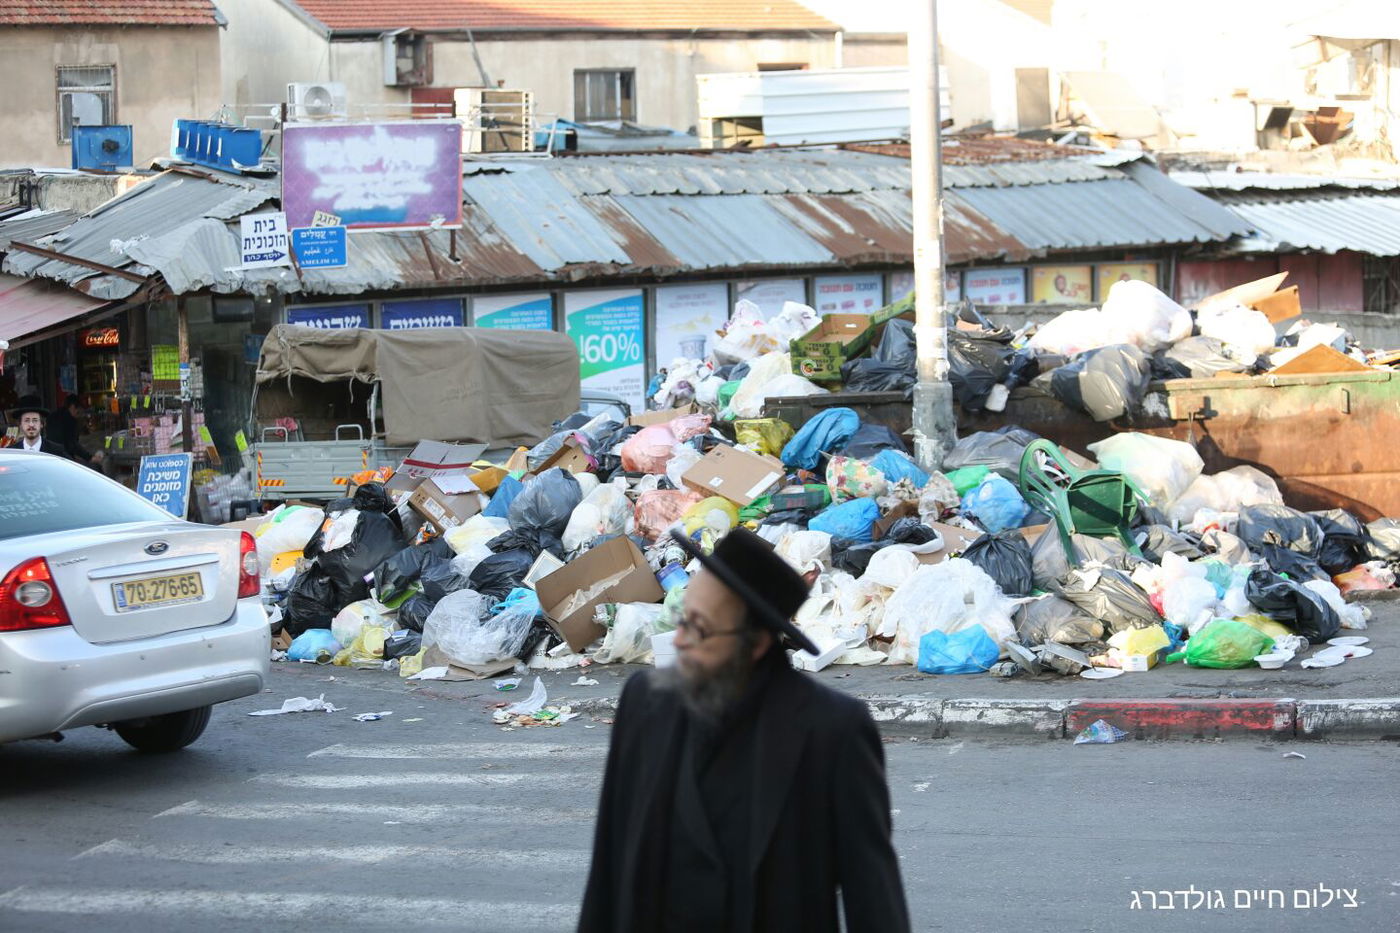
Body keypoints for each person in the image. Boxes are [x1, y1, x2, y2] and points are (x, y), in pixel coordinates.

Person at [579, 527, 910, 933]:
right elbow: (608, 866)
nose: (678, 642)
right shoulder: (645, 703)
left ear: (754, 644)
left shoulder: (832, 732)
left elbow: (874, 897)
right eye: (682, 620)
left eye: (699, 628)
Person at [47, 394, 104, 468]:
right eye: (79, 411)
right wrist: (89, 458)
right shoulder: (68, 420)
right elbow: (72, 444)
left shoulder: (54, 416)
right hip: (62, 459)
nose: (79, 415)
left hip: (51, 457)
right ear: (73, 407)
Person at [4, 396, 71, 456]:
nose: (31, 424)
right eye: (27, 420)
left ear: (42, 423)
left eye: (35, 420)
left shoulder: (57, 451)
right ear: (20, 424)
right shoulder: (11, 453)